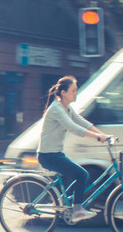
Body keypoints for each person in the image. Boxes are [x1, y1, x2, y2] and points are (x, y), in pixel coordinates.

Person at [37, 76, 109, 223]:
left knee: (81, 175)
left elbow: (81, 121)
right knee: (82, 174)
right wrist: (96, 136)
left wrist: (102, 135)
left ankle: (67, 203)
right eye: (73, 90)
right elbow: (72, 127)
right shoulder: (57, 109)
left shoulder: (67, 108)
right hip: (48, 155)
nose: (76, 93)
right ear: (63, 92)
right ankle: (77, 210)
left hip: (55, 153)